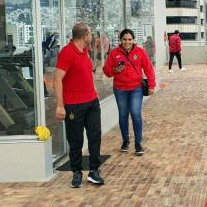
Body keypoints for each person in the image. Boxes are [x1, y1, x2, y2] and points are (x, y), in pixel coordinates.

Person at [54, 23, 104, 188]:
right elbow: (57, 79)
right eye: (90, 34)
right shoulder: (67, 53)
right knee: (75, 140)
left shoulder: (85, 51)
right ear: (84, 36)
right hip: (74, 106)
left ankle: (94, 171)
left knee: (95, 137)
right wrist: (60, 106)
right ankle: (76, 173)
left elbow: (87, 74)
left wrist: (94, 92)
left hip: (92, 103)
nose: (92, 36)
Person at [103, 29, 156, 156]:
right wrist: (115, 70)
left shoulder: (140, 52)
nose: (127, 42)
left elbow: (148, 69)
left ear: (133, 40)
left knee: (135, 113)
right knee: (123, 115)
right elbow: (106, 71)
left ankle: (138, 143)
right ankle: (125, 141)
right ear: (120, 40)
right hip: (120, 89)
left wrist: (151, 85)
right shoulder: (114, 53)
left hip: (136, 88)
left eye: (129, 39)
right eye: (124, 39)